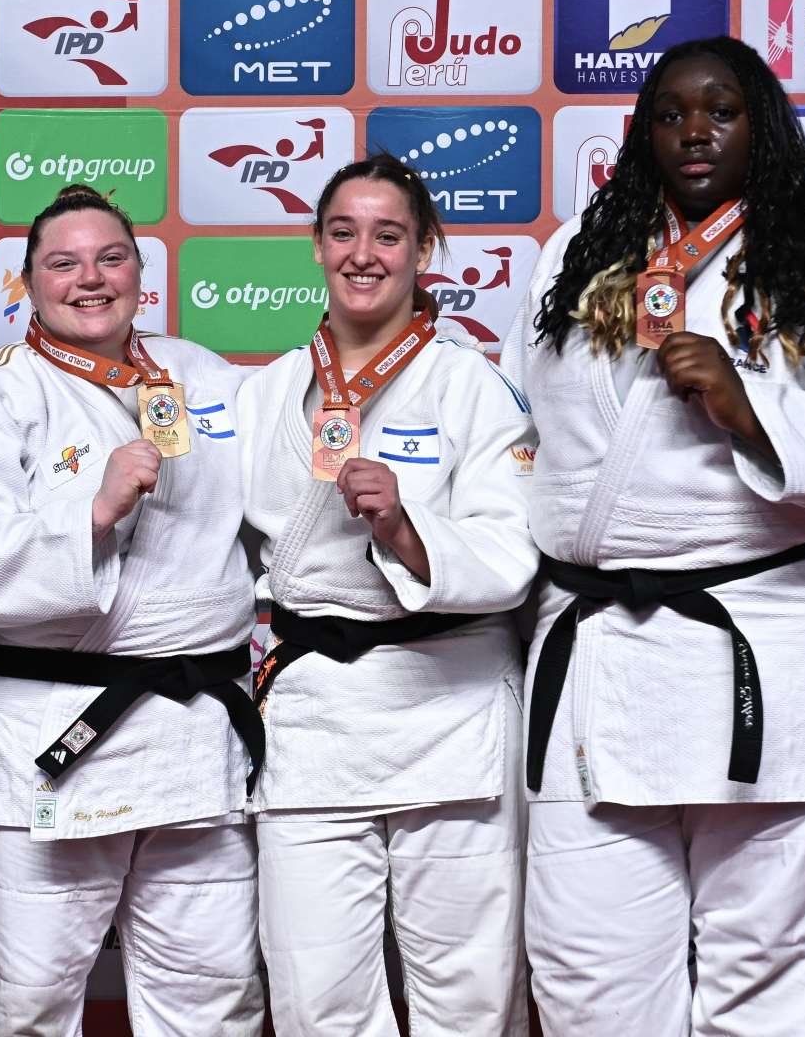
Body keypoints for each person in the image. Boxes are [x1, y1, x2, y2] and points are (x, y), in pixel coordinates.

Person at [500, 36, 805, 1035]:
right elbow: (530, 432)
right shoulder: (577, 254)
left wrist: (755, 409)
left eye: (721, 108)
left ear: (763, 124)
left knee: (773, 989)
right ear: (641, 132)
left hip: (779, 666)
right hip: (602, 661)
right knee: (588, 985)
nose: (696, 130)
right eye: (670, 112)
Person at [0, 185, 264, 1036]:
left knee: (213, 998)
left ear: (141, 275)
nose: (90, 279)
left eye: (111, 258)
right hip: (55, 737)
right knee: (32, 1002)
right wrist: (92, 514)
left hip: (195, 737)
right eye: (63, 263)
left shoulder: (204, 377)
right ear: (27, 283)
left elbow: (278, 519)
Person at [238, 154, 538, 1035]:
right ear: (317, 245)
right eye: (342, 232)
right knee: (315, 996)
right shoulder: (264, 394)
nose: (362, 254)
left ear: (424, 250)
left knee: (469, 992)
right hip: (312, 717)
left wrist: (407, 532)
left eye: (388, 234)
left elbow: (510, 551)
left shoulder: (471, 386)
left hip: (449, 708)